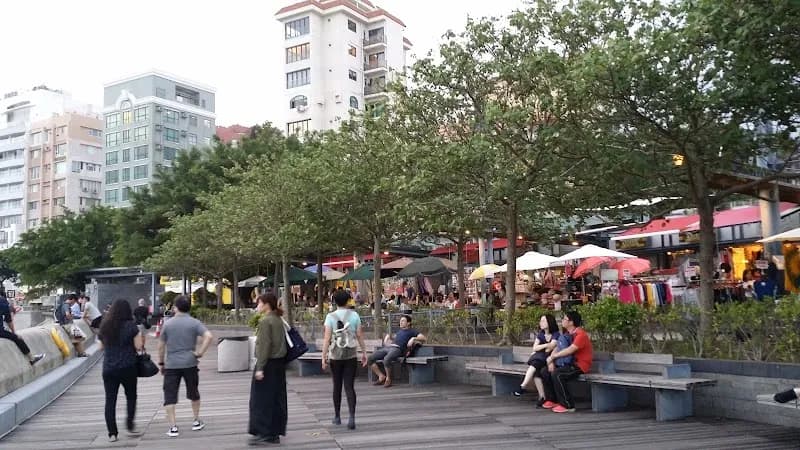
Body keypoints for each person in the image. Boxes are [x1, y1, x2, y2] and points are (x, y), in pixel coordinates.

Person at [157, 295, 214, 438]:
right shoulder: (195, 323)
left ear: (175, 307)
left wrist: (161, 363)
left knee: (169, 395)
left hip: (172, 364)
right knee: (193, 392)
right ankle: (196, 421)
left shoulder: (168, 324)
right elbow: (209, 336)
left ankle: (173, 427)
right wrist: (200, 352)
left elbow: (161, 346)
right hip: (190, 362)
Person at [97, 299, 144, 442]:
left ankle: (112, 433)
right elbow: (138, 347)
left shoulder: (105, 326)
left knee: (110, 400)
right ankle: (130, 425)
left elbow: (100, 347)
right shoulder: (131, 326)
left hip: (109, 368)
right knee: (131, 396)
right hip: (128, 366)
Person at [322, 290, 367, 430]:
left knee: (337, 386)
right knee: (349, 386)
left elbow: (327, 338)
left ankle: (337, 416)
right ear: (348, 301)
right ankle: (352, 417)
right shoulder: (354, 315)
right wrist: (364, 352)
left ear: (334, 301)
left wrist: (323, 356)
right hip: (351, 355)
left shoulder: (330, 316)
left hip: (335, 355)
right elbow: (359, 335)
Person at [248, 293, 288, 445]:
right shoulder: (278, 319)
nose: (257, 306)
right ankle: (274, 431)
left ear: (266, 304)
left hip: (268, 364)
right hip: (279, 364)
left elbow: (265, 346)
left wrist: (260, 368)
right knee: (276, 399)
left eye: (258, 303)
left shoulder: (265, 321)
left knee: (261, 400)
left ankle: (264, 432)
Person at [541, 311, 593, 413]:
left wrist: (554, 356)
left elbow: (570, 350)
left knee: (558, 374)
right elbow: (557, 347)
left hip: (580, 366)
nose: (562, 321)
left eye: (565, 319)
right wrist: (551, 360)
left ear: (571, 322)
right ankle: (552, 399)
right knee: (545, 371)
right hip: (568, 363)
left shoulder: (580, 335)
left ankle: (567, 405)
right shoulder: (567, 334)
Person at [368, 314, 425, 388]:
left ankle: (388, 379)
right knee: (370, 358)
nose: (400, 322)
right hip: (389, 347)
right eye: (400, 321)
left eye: (403, 321)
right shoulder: (399, 331)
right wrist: (389, 337)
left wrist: (413, 338)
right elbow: (395, 338)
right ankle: (381, 376)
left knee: (386, 359)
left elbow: (423, 338)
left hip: (398, 349)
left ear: (408, 323)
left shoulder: (412, 331)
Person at [514, 314, 559, 407]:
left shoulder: (556, 334)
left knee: (535, 365)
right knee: (536, 371)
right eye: (540, 321)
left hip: (550, 359)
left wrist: (542, 348)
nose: (541, 323)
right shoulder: (541, 334)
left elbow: (551, 348)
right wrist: (546, 345)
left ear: (549, 322)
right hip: (541, 359)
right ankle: (541, 396)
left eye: (543, 321)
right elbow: (535, 348)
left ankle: (524, 386)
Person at [0, 290, 44, 366]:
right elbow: (9, 320)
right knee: (18, 339)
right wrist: (14, 333)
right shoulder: (3, 303)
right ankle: (32, 359)